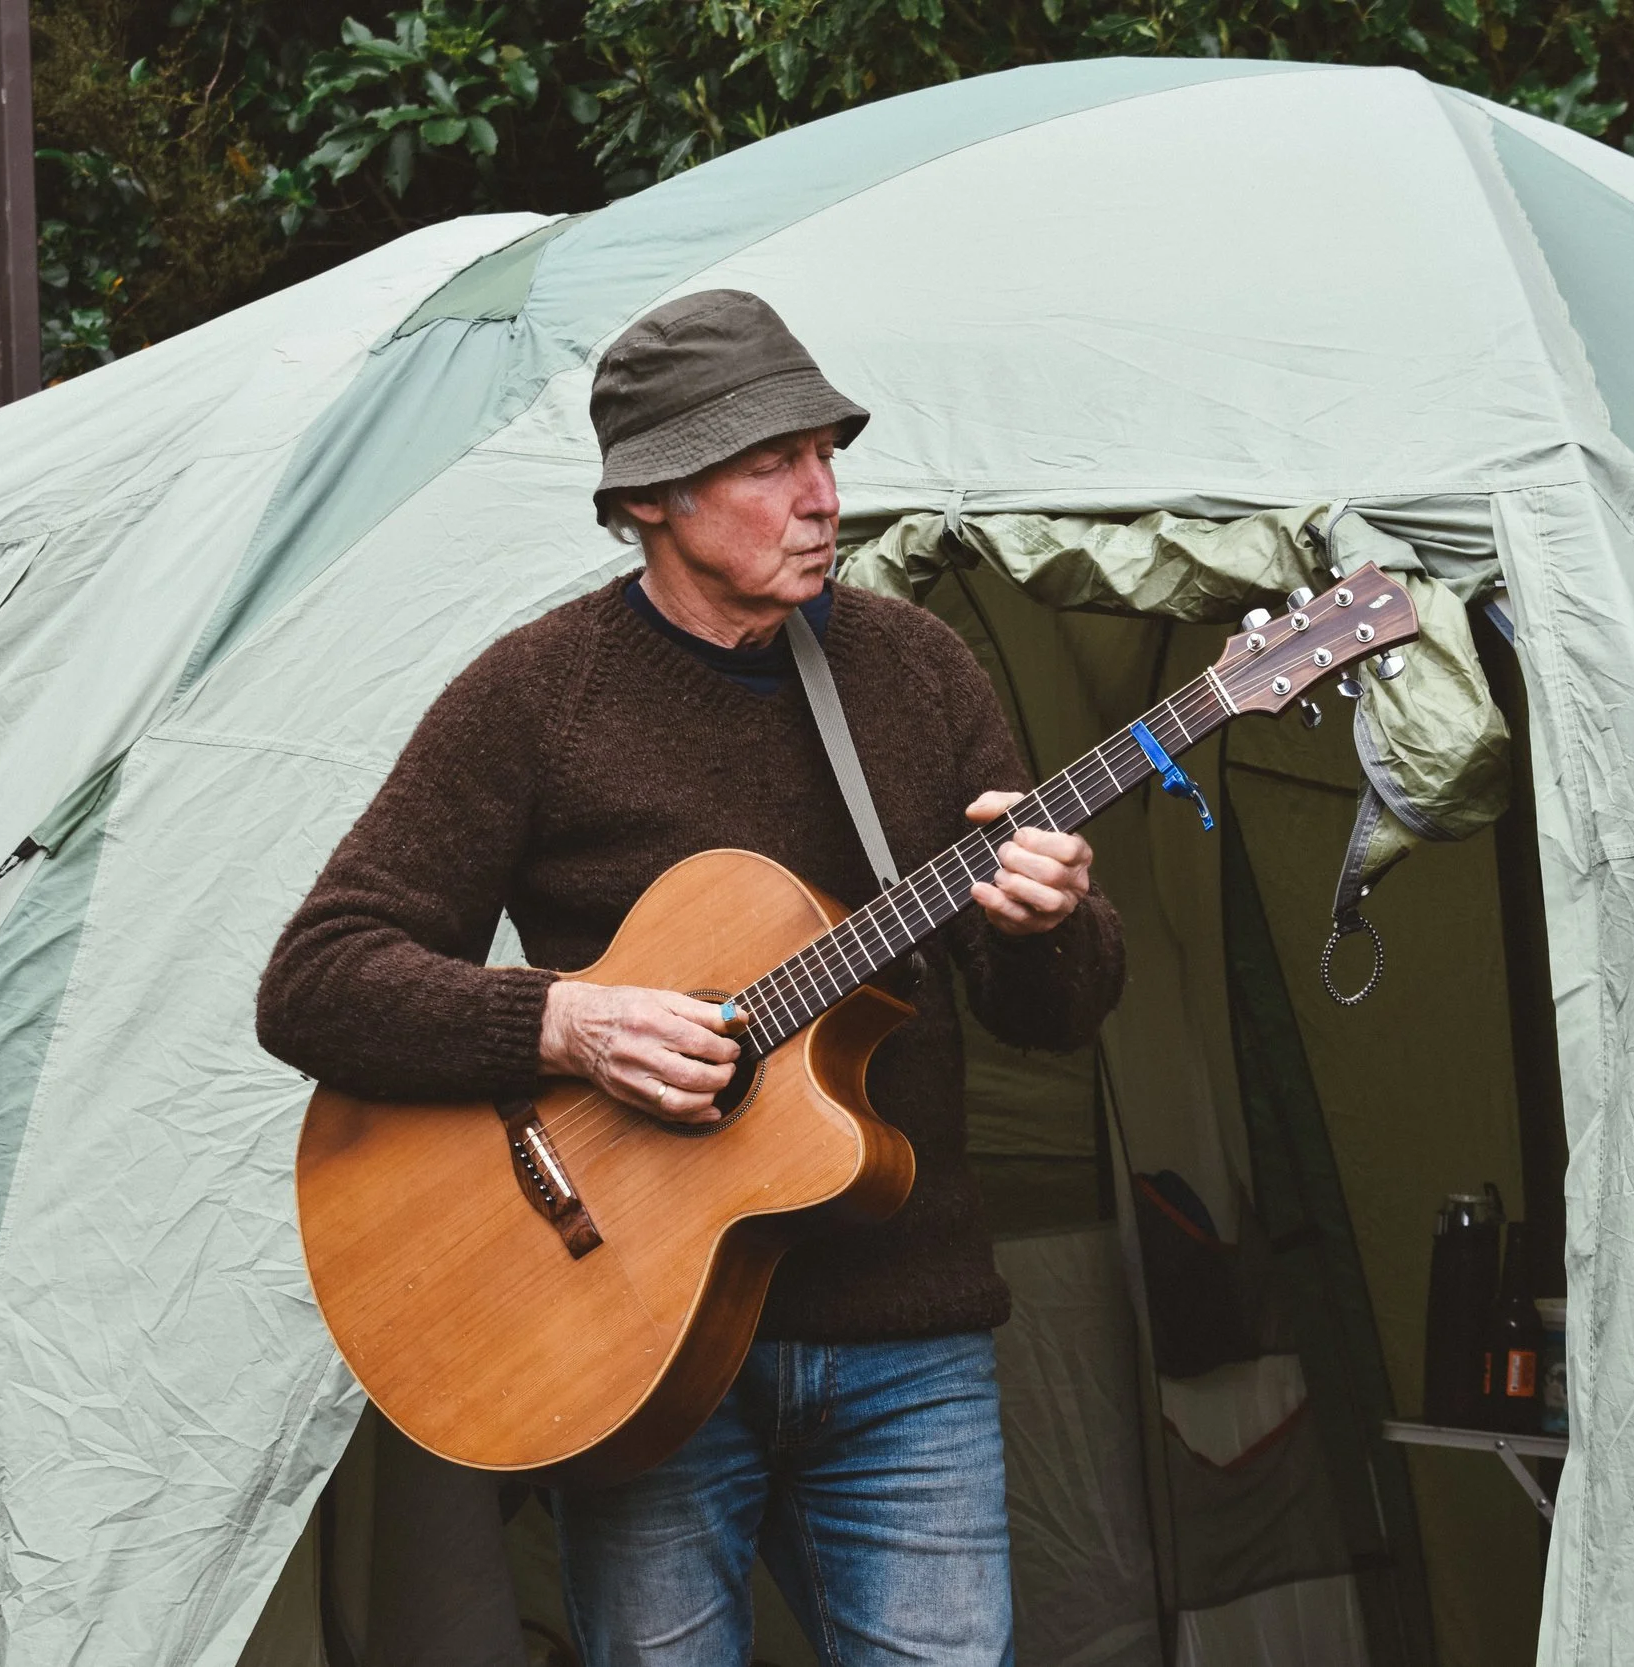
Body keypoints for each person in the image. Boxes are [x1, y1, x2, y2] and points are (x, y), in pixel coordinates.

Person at [257, 289, 1126, 1666]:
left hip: (912, 1339)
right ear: (654, 494)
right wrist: (566, 1022)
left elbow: (1055, 1019)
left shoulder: (917, 669)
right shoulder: (538, 696)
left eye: (827, 454)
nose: (823, 494)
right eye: (773, 461)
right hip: (631, 1334)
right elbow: (315, 982)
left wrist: (1046, 923)